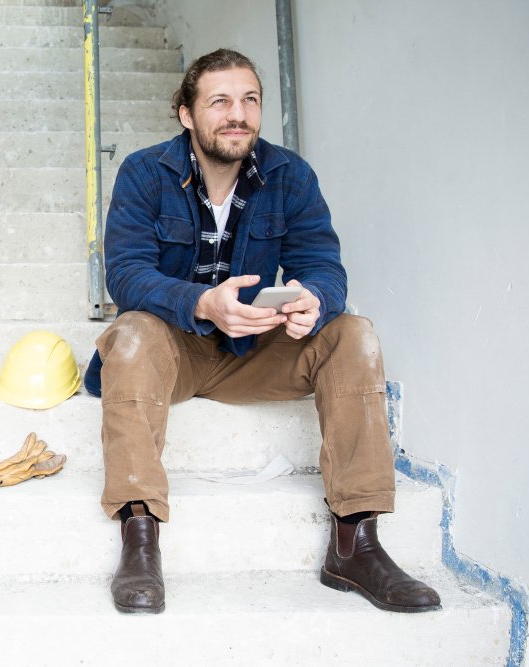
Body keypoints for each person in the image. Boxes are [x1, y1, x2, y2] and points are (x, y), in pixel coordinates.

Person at [83, 48, 440, 615]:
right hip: (172, 350)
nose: (238, 114)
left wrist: (313, 301)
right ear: (186, 113)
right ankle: (140, 537)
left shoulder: (289, 175)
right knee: (131, 334)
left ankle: (355, 543)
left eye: (250, 100)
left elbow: (323, 263)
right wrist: (202, 303)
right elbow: (126, 275)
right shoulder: (145, 172)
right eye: (220, 101)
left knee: (353, 333)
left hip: (253, 350)